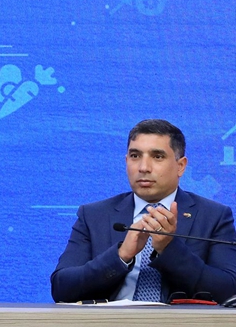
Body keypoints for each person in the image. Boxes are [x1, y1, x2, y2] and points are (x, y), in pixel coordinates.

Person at [50, 119, 236, 303]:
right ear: (126, 161)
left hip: (178, 322)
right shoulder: (93, 215)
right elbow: (62, 288)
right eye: (135, 156)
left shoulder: (213, 217)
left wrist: (168, 248)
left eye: (158, 156)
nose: (143, 168)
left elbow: (229, 291)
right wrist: (121, 255)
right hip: (111, 321)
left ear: (180, 166)